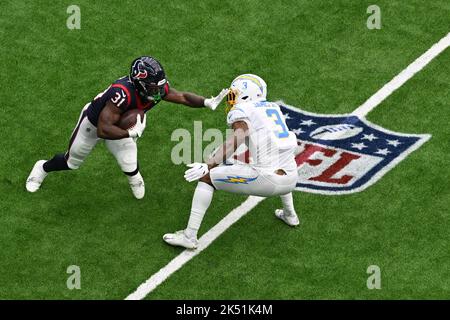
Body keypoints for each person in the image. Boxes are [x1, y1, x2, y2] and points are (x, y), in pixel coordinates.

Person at [25, 56, 227, 199]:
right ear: (139, 83)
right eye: (153, 87)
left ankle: (135, 180)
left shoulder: (155, 87)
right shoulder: (121, 93)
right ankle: (42, 168)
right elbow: (103, 129)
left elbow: (182, 96)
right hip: (94, 125)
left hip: (120, 126)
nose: (158, 90)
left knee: (129, 162)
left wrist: (206, 102)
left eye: (159, 86)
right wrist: (130, 132)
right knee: (72, 162)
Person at [163, 74, 300, 249]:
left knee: (206, 177)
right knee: (278, 161)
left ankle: (189, 236)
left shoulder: (243, 110)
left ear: (245, 94)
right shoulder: (272, 108)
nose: (231, 98)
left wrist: (209, 164)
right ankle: (290, 215)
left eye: (234, 94)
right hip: (292, 178)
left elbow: (239, 136)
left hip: (267, 180)